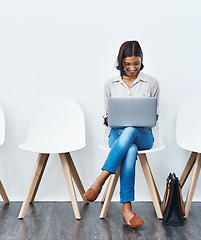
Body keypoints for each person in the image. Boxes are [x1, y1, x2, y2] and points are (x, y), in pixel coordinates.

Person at [83, 40, 159, 229]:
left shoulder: (152, 83)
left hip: (144, 135)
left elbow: (154, 117)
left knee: (132, 131)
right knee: (130, 149)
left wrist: (136, 122)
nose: (132, 68)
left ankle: (100, 179)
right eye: (127, 64)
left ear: (142, 60)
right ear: (120, 62)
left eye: (136, 63)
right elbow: (107, 117)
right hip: (117, 135)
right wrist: (114, 119)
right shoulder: (110, 84)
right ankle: (127, 210)